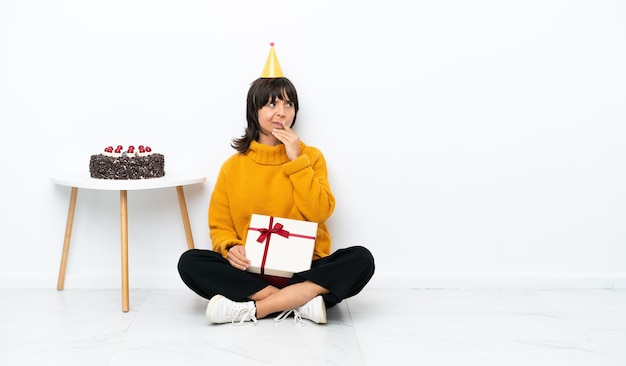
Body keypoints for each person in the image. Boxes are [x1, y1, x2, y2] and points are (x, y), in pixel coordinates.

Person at [177, 44, 375, 325]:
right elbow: (220, 227)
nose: (282, 112)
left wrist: (296, 161)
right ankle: (301, 302)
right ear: (254, 110)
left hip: (304, 269)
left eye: (288, 104)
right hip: (252, 273)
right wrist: (231, 247)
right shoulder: (233, 167)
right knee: (190, 262)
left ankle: (257, 309)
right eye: (272, 103)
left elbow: (320, 212)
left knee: (361, 259)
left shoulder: (311, 157)